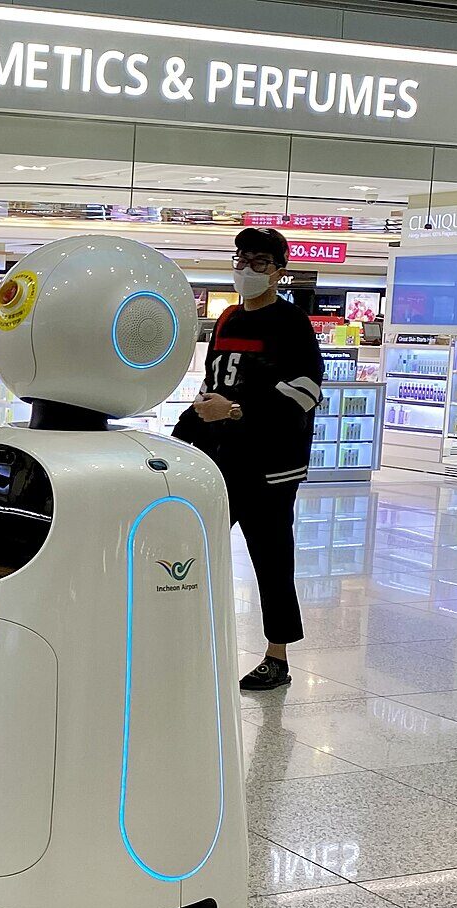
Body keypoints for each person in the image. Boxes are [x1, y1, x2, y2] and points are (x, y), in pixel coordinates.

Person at [174, 226, 324, 692]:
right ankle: (185, 638)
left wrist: (237, 410)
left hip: (272, 467)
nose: (247, 269)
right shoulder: (226, 320)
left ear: (279, 272)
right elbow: (214, 381)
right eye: (241, 259)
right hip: (220, 460)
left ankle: (277, 656)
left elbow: (305, 391)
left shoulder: (292, 323)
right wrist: (188, 427)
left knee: (271, 560)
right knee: (191, 547)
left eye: (260, 262)